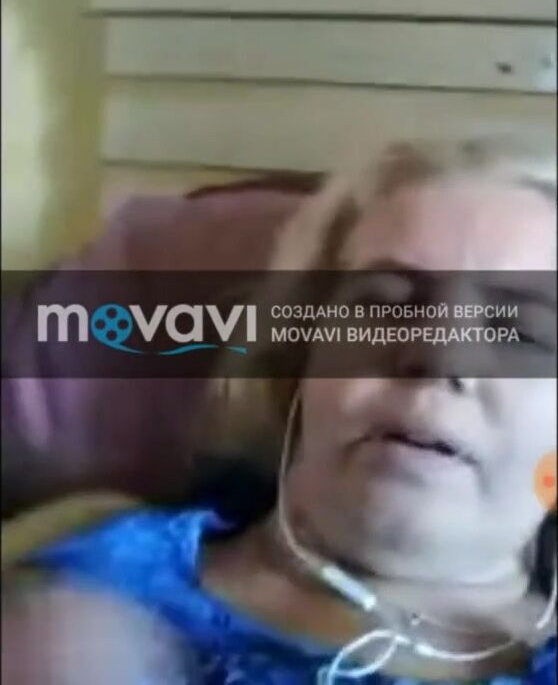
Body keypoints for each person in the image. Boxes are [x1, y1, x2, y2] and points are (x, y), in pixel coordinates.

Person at [2, 132, 556, 684]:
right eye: (383, 306)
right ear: (296, 365)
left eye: (522, 332)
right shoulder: (83, 597)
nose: (437, 356)